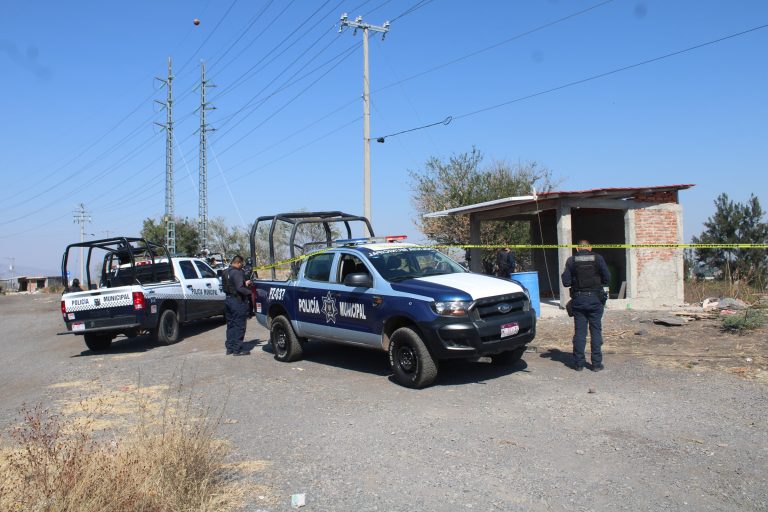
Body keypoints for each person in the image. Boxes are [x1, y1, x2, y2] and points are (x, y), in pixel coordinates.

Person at [561, 240, 611, 372]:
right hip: (595, 299)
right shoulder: (598, 258)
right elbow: (607, 278)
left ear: (577, 249)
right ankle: (596, 364)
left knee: (580, 333)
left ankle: (578, 364)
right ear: (590, 247)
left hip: (579, 300)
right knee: (595, 331)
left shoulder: (571, 260)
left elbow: (565, 282)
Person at [223, 255, 252, 356]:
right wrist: (249, 292)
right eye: (242, 264)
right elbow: (239, 288)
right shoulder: (238, 272)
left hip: (228, 300)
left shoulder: (226, 271)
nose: (242, 266)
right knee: (239, 325)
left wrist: (244, 283)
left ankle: (229, 348)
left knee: (230, 325)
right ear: (238, 263)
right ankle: (237, 350)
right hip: (237, 301)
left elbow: (231, 285)